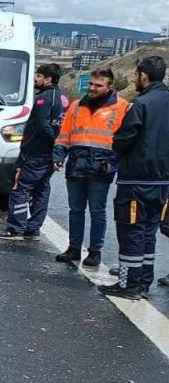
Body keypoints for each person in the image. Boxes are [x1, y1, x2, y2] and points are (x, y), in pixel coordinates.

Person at [100, 56, 169, 299]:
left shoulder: (141, 104)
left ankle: (128, 285)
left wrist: (116, 147)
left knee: (131, 233)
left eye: (136, 74)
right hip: (163, 184)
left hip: (136, 182)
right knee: (148, 234)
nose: (133, 78)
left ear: (144, 75)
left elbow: (122, 140)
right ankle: (142, 284)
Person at [52, 67, 128, 268]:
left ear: (109, 86)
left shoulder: (122, 107)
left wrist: (115, 162)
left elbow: (126, 138)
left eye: (98, 85)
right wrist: (59, 155)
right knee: (75, 209)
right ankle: (74, 248)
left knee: (97, 210)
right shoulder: (76, 106)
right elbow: (64, 133)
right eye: (91, 84)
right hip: (77, 164)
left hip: (101, 167)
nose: (92, 88)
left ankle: (95, 251)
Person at [0, 64, 66, 242]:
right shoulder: (64, 98)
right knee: (41, 190)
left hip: (34, 153)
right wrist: (58, 148)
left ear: (48, 79)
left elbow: (43, 125)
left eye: (39, 76)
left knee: (20, 188)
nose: (36, 79)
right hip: (50, 155)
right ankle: (33, 229)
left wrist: (53, 141)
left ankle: (16, 228)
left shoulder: (43, 98)